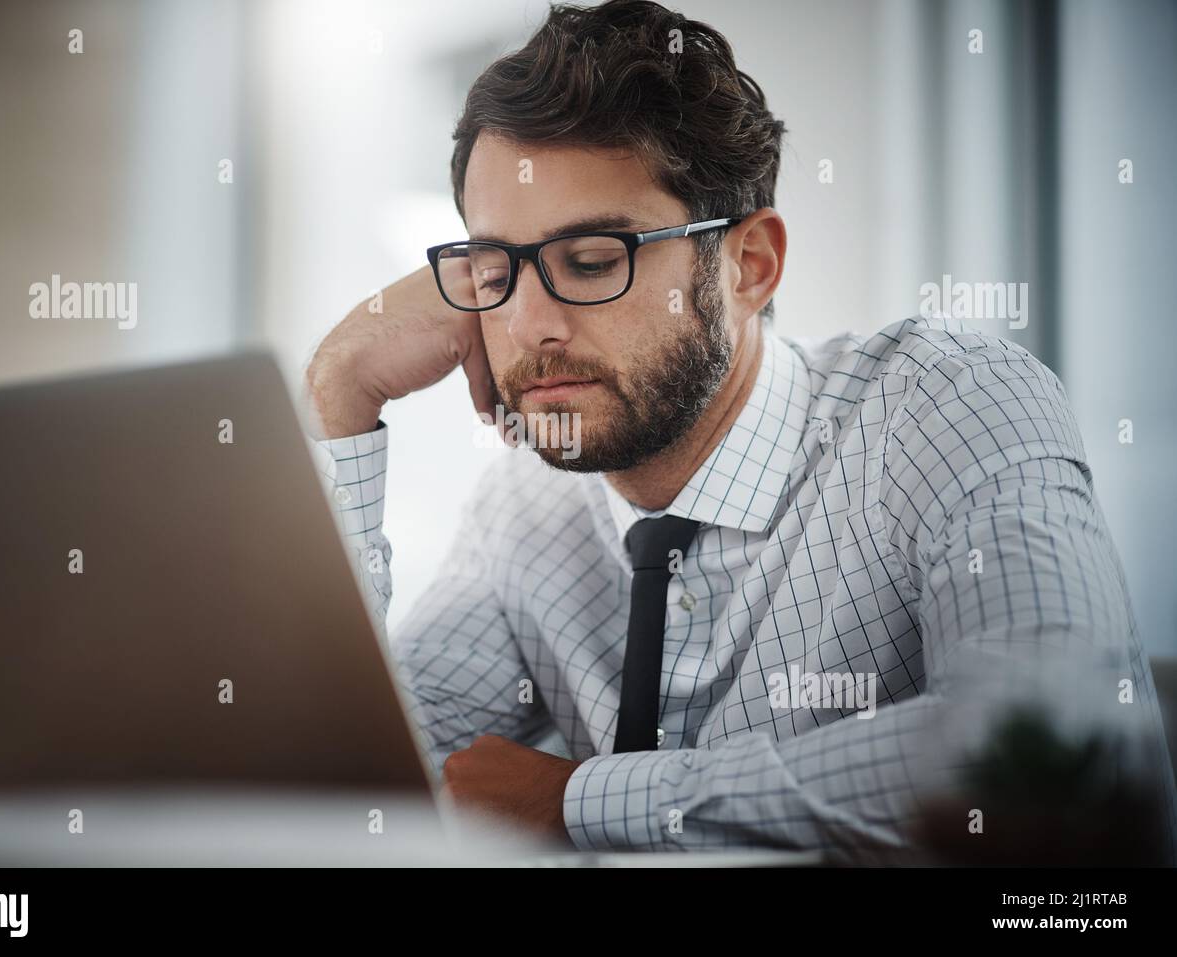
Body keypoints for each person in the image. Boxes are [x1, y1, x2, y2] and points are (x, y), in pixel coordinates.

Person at [304, 0, 1177, 859]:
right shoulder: (525, 509)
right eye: (497, 268)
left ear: (749, 266)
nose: (530, 323)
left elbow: (1065, 760)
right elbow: (339, 802)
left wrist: (581, 800)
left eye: (595, 261)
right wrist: (342, 395)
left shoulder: (948, 404)